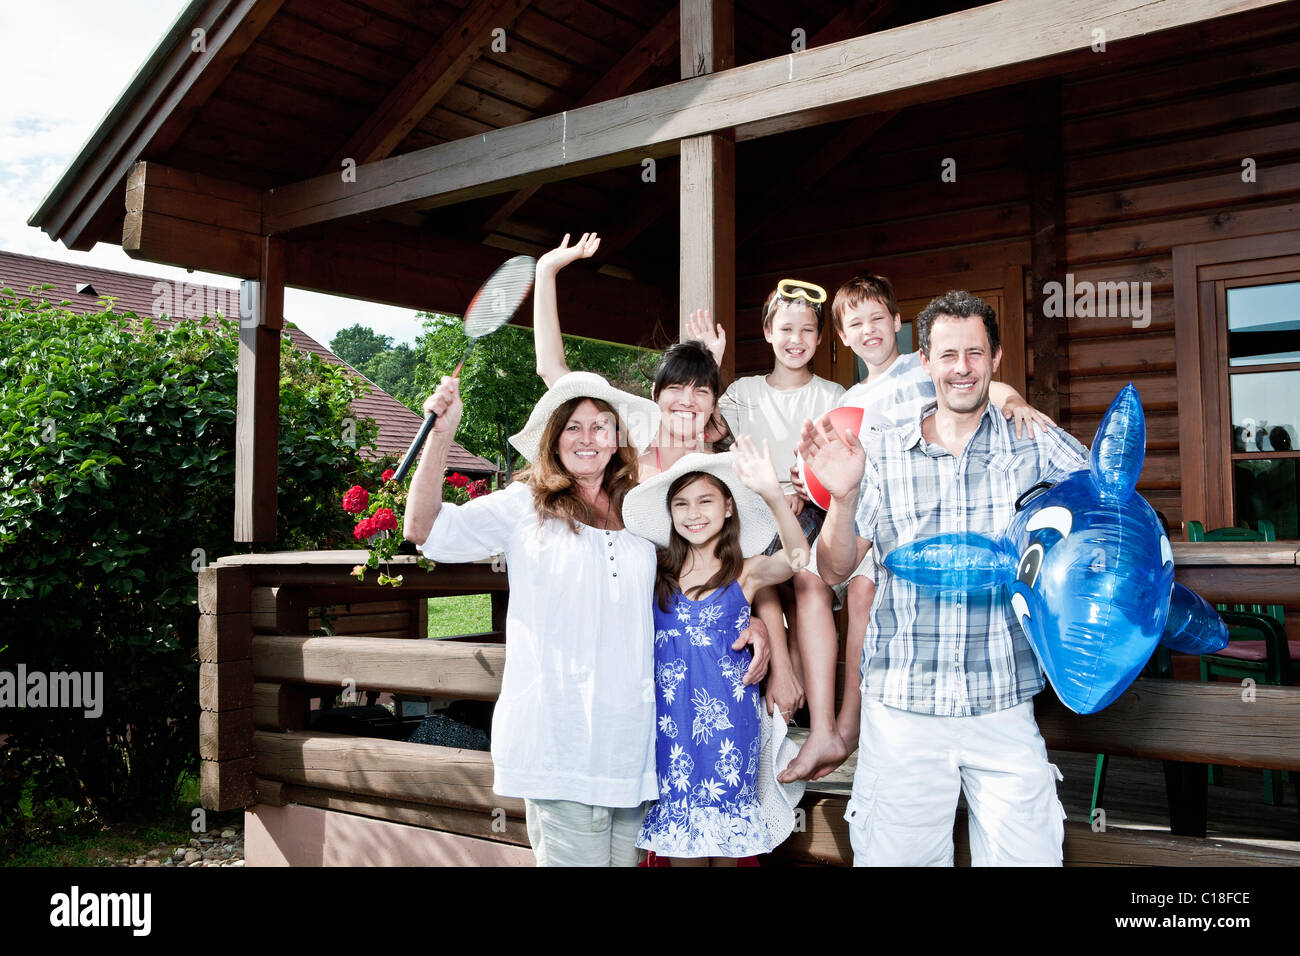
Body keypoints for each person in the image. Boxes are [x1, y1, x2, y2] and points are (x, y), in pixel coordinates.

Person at [798, 290, 1087, 866]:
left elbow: (1107, 508)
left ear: (996, 358)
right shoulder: (880, 450)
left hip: (1003, 701)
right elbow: (832, 568)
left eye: (975, 353)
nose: (962, 368)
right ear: (923, 360)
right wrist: (844, 496)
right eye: (948, 354)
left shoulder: (1033, 441)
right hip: (901, 708)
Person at [402, 369, 664, 866]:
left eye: (601, 426)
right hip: (558, 739)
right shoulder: (526, 505)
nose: (587, 439)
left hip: (629, 742)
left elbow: (705, 571)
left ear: (617, 439)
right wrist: (442, 434)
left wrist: (757, 621)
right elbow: (424, 528)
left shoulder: (643, 511)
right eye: (573, 427)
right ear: (554, 439)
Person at [622, 437, 808, 864]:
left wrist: (773, 494)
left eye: (706, 501)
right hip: (671, 732)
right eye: (682, 504)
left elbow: (797, 558)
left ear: (728, 508)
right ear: (670, 514)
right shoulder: (654, 572)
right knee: (682, 846)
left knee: (729, 849)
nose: (694, 513)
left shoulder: (745, 571)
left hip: (729, 732)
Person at [715, 279, 845, 766]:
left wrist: (802, 489)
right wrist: (710, 359)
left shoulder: (832, 394)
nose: (797, 339)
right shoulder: (742, 394)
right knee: (752, 557)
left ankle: (824, 724)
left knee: (808, 580)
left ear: (818, 338)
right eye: (786, 328)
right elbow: (710, 432)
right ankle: (782, 671)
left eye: (807, 330)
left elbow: (841, 466)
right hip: (752, 511)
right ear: (768, 332)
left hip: (810, 512)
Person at [531, 232, 729, 480]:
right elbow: (550, 368)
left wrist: (711, 366)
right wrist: (545, 272)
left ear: (713, 403)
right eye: (676, 387)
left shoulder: (720, 467)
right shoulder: (627, 442)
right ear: (655, 391)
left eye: (701, 391)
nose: (687, 400)